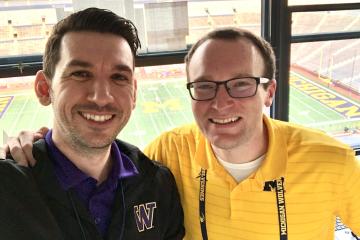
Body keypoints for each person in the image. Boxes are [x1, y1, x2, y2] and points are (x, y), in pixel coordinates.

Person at [3, 27, 360, 240]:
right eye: (204, 86)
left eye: (240, 84)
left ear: (270, 92)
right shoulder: (168, 154)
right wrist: (35, 144)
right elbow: (91, 149)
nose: (220, 103)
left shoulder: (331, 159)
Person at [0, 7, 184, 240]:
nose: (101, 96)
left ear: (134, 93)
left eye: (119, 77)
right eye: (80, 74)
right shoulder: (7, 188)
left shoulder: (158, 185)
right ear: (44, 88)